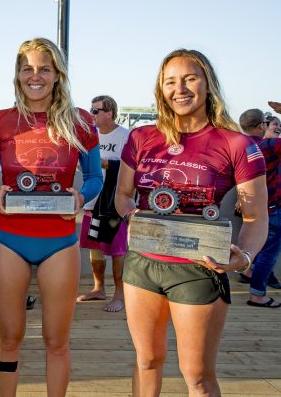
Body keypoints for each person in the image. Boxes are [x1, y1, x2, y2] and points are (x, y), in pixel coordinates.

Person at [115, 48, 268, 396]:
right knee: (146, 362)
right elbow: (122, 195)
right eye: (170, 81)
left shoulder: (236, 143)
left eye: (189, 78)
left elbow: (257, 218)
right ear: (161, 89)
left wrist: (243, 257)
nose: (179, 89)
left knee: (197, 376)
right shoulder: (141, 137)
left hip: (200, 268)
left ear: (207, 83)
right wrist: (130, 214)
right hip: (142, 264)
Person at [0, 38, 103, 396]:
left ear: (57, 75)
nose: (35, 76)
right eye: (27, 69)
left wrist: (81, 195)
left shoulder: (80, 121)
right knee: (10, 338)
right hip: (10, 240)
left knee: (57, 340)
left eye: (44, 69)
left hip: (60, 242)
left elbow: (96, 177)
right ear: (18, 74)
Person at [77, 95, 130, 312]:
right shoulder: (90, 136)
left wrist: (107, 163)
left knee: (117, 250)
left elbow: (132, 167)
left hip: (114, 204)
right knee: (94, 247)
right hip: (93, 202)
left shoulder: (125, 136)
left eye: (96, 111)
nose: (92, 114)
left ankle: (119, 294)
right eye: (91, 110)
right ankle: (99, 288)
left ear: (109, 113)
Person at [236, 109, 281, 308]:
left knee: (258, 245)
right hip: (272, 207)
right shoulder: (269, 145)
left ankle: (247, 271)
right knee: (268, 253)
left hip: (251, 207)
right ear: (261, 126)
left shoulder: (242, 146)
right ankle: (257, 295)